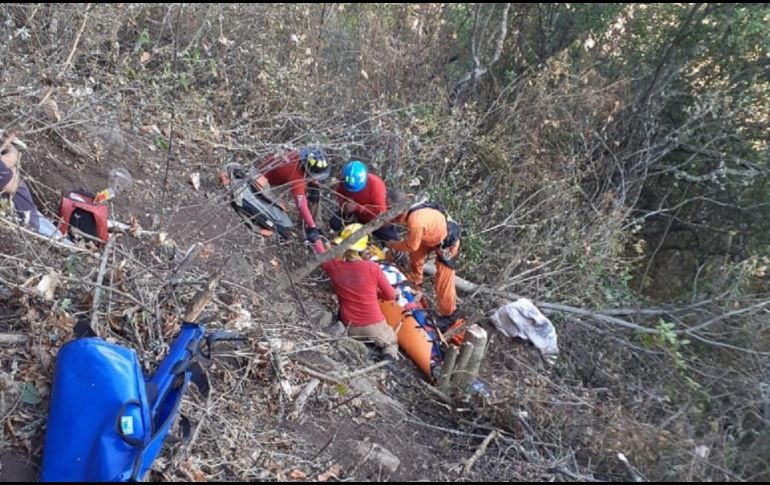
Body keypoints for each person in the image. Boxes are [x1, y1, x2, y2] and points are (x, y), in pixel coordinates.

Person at [318, 223, 400, 361]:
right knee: (391, 342)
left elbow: (321, 257)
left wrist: (317, 240)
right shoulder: (372, 267)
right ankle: (387, 360)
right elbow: (390, 295)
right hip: (374, 327)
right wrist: (376, 294)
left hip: (350, 327)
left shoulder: (333, 267)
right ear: (362, 248)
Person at [386, 191, 460, 324]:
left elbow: (411, 246)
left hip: (446, 242)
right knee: (415, 259)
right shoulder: (414, 202)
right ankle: (416, 285)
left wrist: (393, 244)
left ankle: (448, 315)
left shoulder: (415, 221)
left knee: (443, 279)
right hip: (429, 235)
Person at [1, 135, 70, 244]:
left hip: (30, 211)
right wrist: (13, 159)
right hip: (24, 220)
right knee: (66, 246)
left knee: (61, 237)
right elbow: (11, 185)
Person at [259, 147, 329, 252]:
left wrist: (315, 184)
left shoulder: (299, 156)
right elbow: (301, 204)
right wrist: (312, 226)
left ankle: (317, 227)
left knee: (315, 193)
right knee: (278, 214)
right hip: (262, 183)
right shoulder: (296, 176)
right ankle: (312, 229)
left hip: (266, 172)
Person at [331, 160, 398, 242]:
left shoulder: (375, 185)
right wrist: (344, 205)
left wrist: (357, 208)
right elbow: (339, 193)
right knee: (335, 223)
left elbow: (380, 210)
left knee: (392, 240)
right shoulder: (345, 180)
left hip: (375, 219)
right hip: (354, 215)